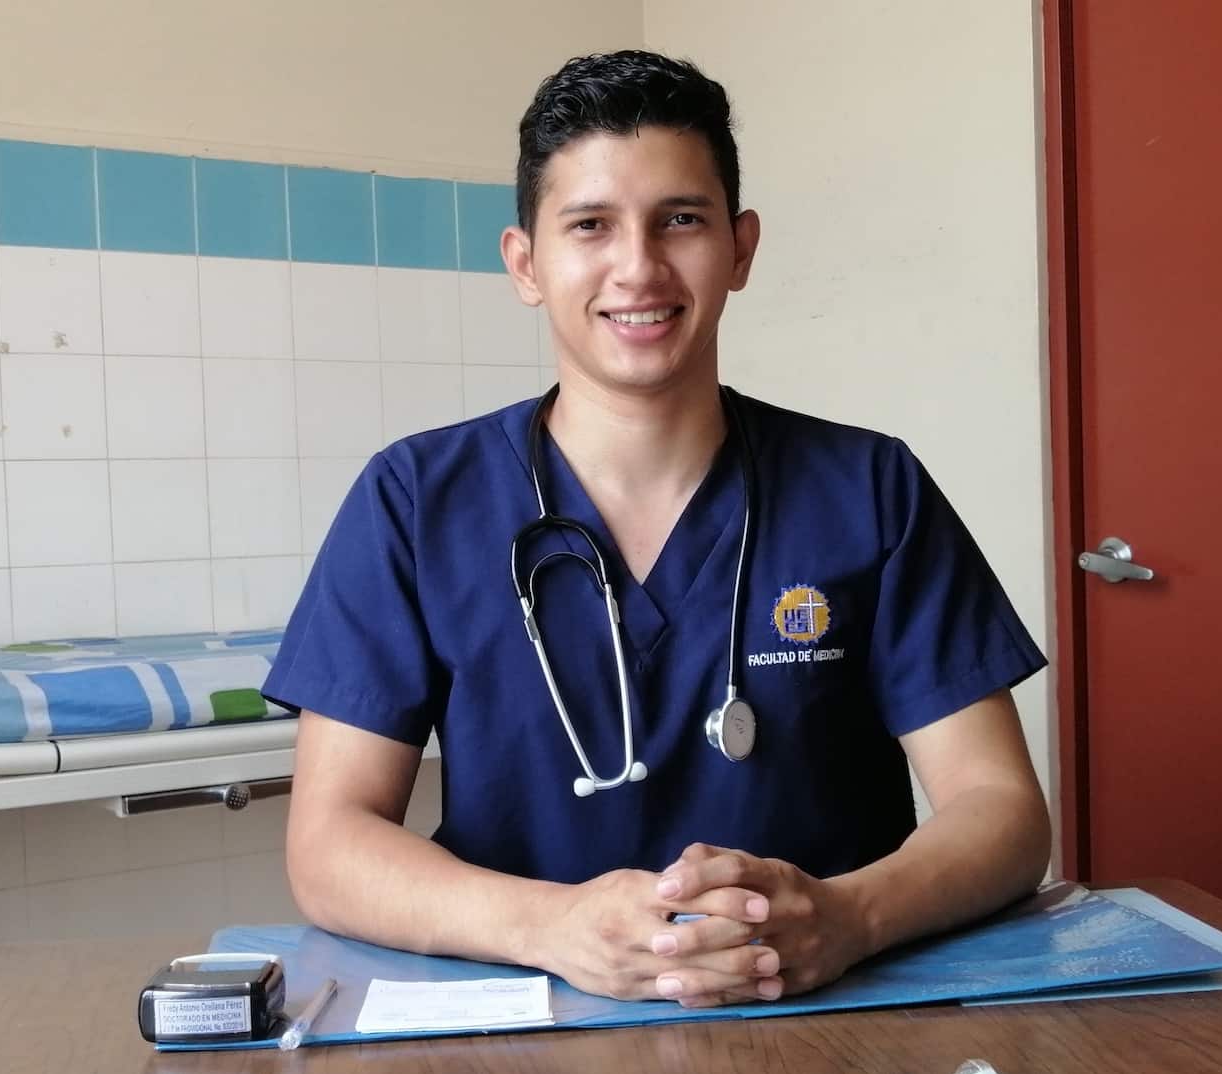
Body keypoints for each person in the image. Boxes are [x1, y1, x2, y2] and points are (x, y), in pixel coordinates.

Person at [263, 49, 1050, 1009]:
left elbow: (1001, 811)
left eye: (681, 219)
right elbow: (330, 844)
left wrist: (849, 917)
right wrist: (549, 927)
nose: (638, 267)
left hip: (825, 1016)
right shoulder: (416, 499)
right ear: (526, 263)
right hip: (521, 1025)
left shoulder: (868, 487)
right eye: (590, 225)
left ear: (742, 247)